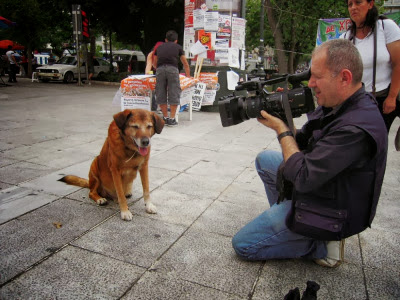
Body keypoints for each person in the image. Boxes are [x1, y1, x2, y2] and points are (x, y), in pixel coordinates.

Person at [232, 39, 388, 268]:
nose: (311, 83)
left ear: (344, 77)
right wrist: (284, 121)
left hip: (334, 208)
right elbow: (306, 140)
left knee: (243, 245)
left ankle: (321, 245)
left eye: (317, 76)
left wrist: (282, 131)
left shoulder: (356, 127)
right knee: (265, 160)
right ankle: (291, 223)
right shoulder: (342, 104)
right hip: (326, 187)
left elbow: (303, 177)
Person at [340, 0, 400, 132]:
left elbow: (398, 64)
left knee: (378, 142)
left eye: (358, 2)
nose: (353, 8)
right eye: (350, 5)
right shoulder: (346, 38)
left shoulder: (385, 27)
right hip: (358, 102)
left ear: (370, 4)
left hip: (384, 98)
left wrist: (392, 97)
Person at [153, 30, 190, 126]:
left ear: (165, 40)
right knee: (174, 92)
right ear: (176, 40)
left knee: (161, 92)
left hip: (160, 69)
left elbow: (154, 62)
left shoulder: (159, 47)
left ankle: (165, 117)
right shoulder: (178, 47)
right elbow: (185, 63)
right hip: (173, 69)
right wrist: (188, 76)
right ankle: (172, 119)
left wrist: (159, 70)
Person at [145, 41, 163, 111]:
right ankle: (153, 105)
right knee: (151, 89)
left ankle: (161, 106)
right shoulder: (151, 54)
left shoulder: (164, 54)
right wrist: (147, 75)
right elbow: (148, 66)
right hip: (153, 72)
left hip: (162, 71)